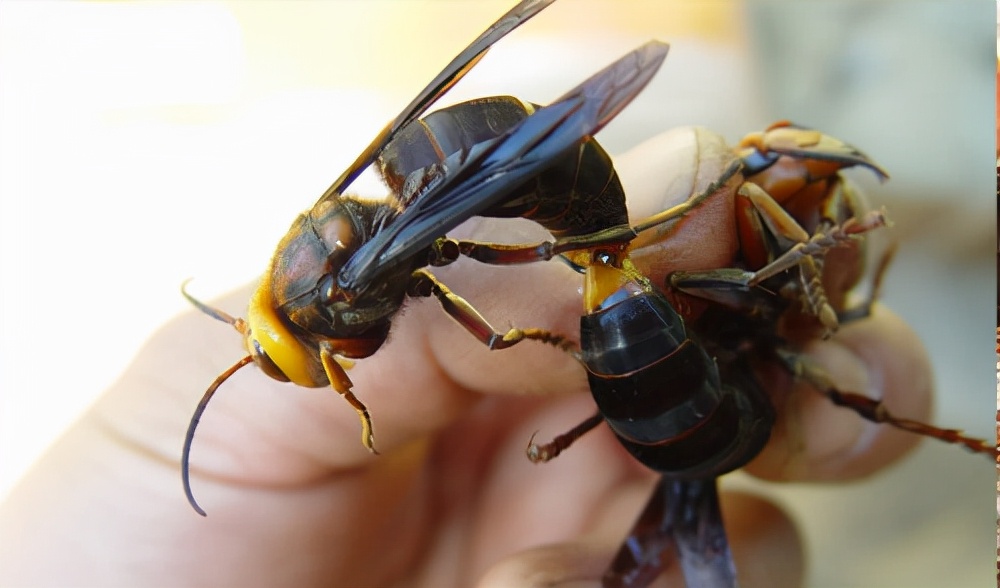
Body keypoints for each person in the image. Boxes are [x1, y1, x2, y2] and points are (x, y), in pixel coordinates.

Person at [0, 129, 930, 588]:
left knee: (621, 243)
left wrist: (526, 322)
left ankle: (661, 241)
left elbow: (444, 280)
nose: (332, 373)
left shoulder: (351, 291)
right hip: (615, 326)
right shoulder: (344, 288)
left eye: (316, 363)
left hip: (596, 271)